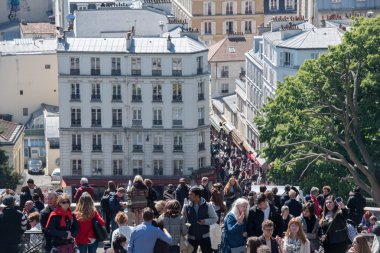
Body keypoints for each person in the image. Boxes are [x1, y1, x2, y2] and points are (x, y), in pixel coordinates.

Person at [182, 186, 218, 253]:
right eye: (189, 194)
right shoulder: (186, 206)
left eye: (191, 194)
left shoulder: (208, 205)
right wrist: (185, 227)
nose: (188, 196)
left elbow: (215, 218)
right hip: (191, 237)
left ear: (197, 196)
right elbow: (182, 220)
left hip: (205, 237)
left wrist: (205, 221)